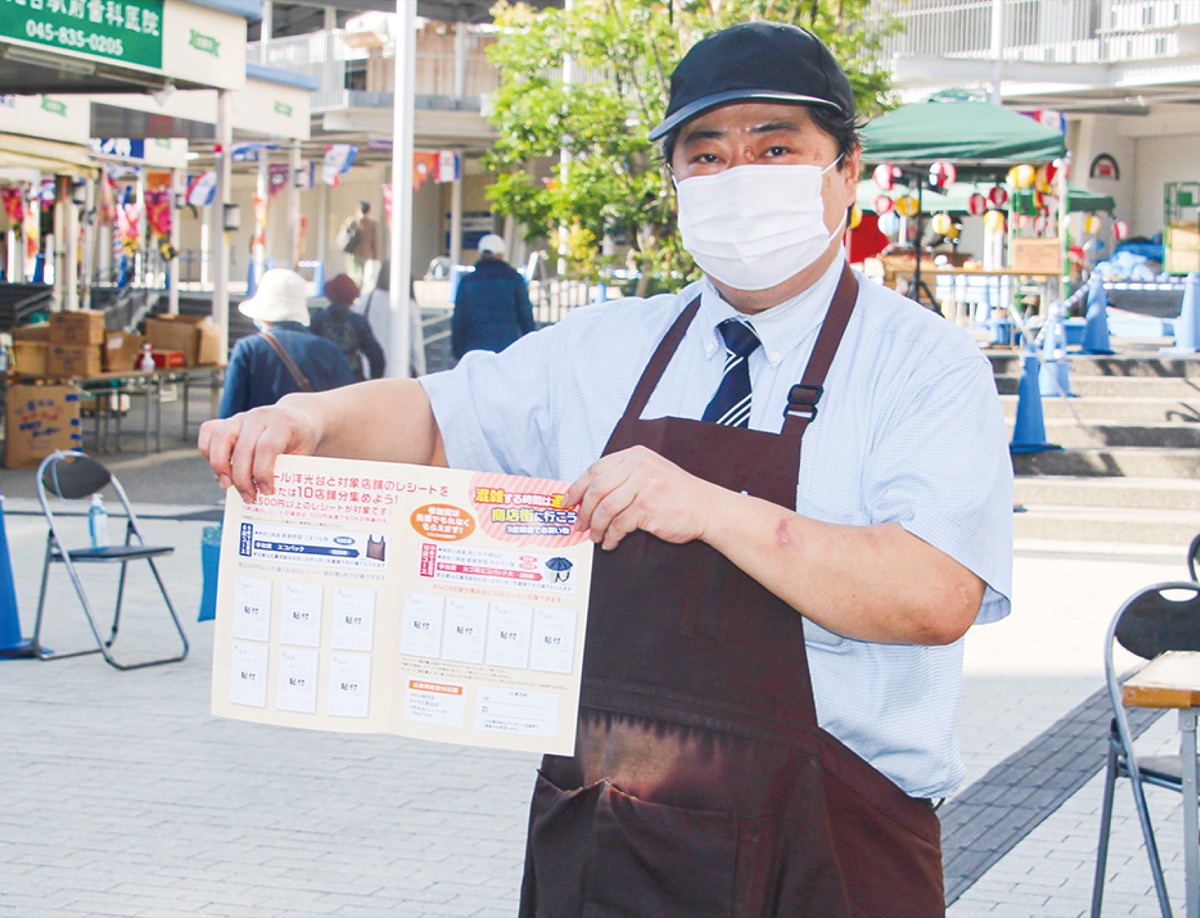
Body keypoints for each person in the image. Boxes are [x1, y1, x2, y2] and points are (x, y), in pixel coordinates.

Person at [201, 21, 1011, 915]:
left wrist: (707, 505)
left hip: (828, 845)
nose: (737, 175)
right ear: (674, 184)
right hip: (612, 841)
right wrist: (310, 417)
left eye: (775, 147)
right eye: (705, 155)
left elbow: (936, 596)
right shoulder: (607, 345)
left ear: (846, 171)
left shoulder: (921, 365)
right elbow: (439, 421)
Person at [217, 268, 355, 419]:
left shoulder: (248, 349)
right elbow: (346, 410)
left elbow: (229, 414)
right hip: (315, 440)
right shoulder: (329, 350)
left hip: (260, 440)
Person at [451, 233, 536, 359]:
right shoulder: (514, 279)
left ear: (480, 255)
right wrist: (530, 348)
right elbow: (525, 316)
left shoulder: (468, 281)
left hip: (474, 350)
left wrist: (458, 352)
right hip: (507, 349)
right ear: (502, 255)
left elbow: (458, 319)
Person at [355, 259, 426, 376]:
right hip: (400, 372)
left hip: (368, 371)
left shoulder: (366, 300)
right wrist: (421, 374)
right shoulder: (409, 306)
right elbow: (416, 346)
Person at [311, 273, 386, 382]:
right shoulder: (358, 321)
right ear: (353, 296)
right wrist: (373, 379)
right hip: (352, 379)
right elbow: (376, 356)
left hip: (324, 380)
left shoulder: (319, 319)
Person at [337, 201, 380, 288]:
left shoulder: (352, 221)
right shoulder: (372, 224)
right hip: (366, 253)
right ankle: (359, 289)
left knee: (354, 273)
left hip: (354, 252)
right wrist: (375, 255)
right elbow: (375, 240)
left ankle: (356, 291)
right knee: (361, 272)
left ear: (358, 210)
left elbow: (343, 231)